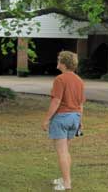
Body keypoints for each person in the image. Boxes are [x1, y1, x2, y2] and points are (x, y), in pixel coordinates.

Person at [41, 51, 86, 191]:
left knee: (62, 152)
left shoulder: (60, 79)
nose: (57, 61)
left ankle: (66, 184)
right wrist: (80, 121)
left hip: (61, 118)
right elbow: (81, 104)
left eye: (59, 59)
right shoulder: (79, 80)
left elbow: (56, 100)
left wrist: (46, 119)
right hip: (75, 118)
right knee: (66, 151)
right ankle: (66, 178)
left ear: (64, 63)